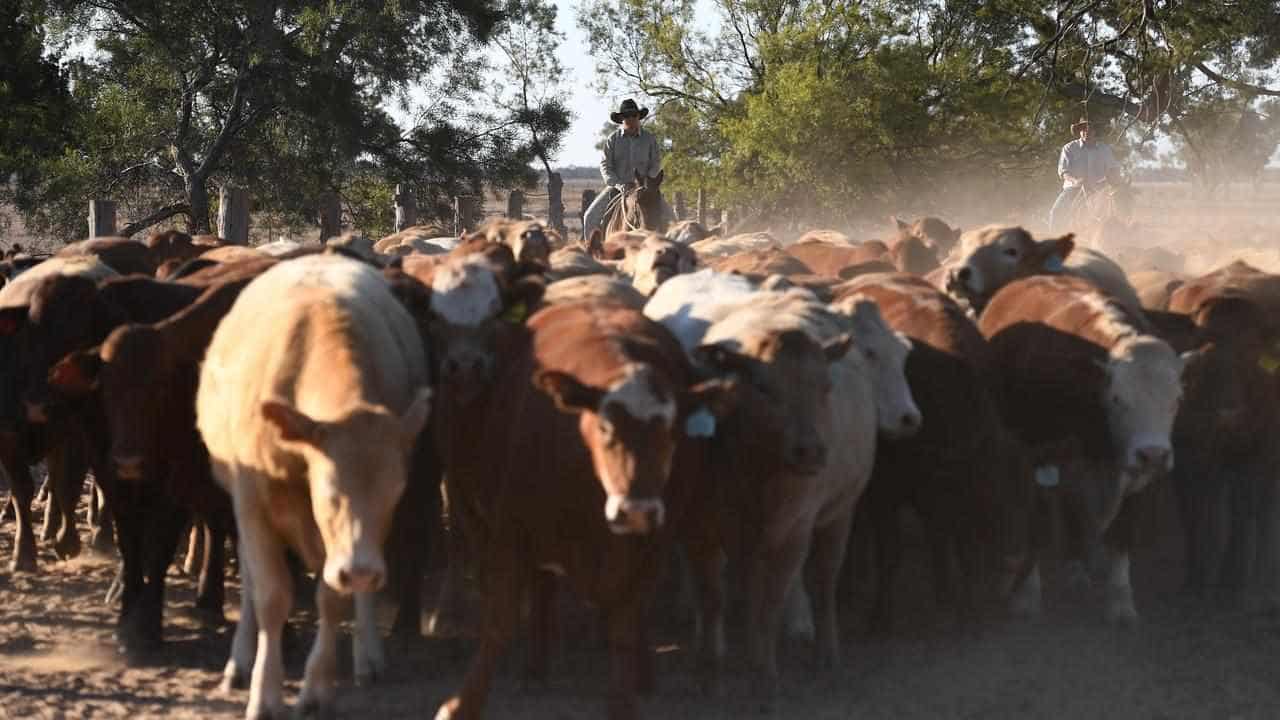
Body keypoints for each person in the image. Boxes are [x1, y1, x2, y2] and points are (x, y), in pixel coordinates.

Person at [582, 98, 673, 240]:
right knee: (589, 217)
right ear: (621, 119)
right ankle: (592, 255)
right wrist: (617, 184)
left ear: (639, 117)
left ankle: (673, 255)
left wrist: (647, 181)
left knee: (672, 218)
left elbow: (656, 162)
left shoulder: (649, 139)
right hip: (618, 187)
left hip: (645, 188)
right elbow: (605, 165)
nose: (630, 119)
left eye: (633, 115)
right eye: (626, 116)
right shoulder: (613, 139)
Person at [1048, 117, 1120, 232]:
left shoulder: (1104, 149)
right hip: (1074, 189)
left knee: (1119, 208)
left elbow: (1113, 168)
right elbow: (1063, 171)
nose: (1087, 132)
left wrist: (1115, 181)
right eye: (1083, 129)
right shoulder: (1069, 148)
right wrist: (1074, 180)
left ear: (1095, 131)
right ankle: (1053, 242)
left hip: (1099, 189)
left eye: (1090, 129)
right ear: (1079, 131)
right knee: (1056, 212)